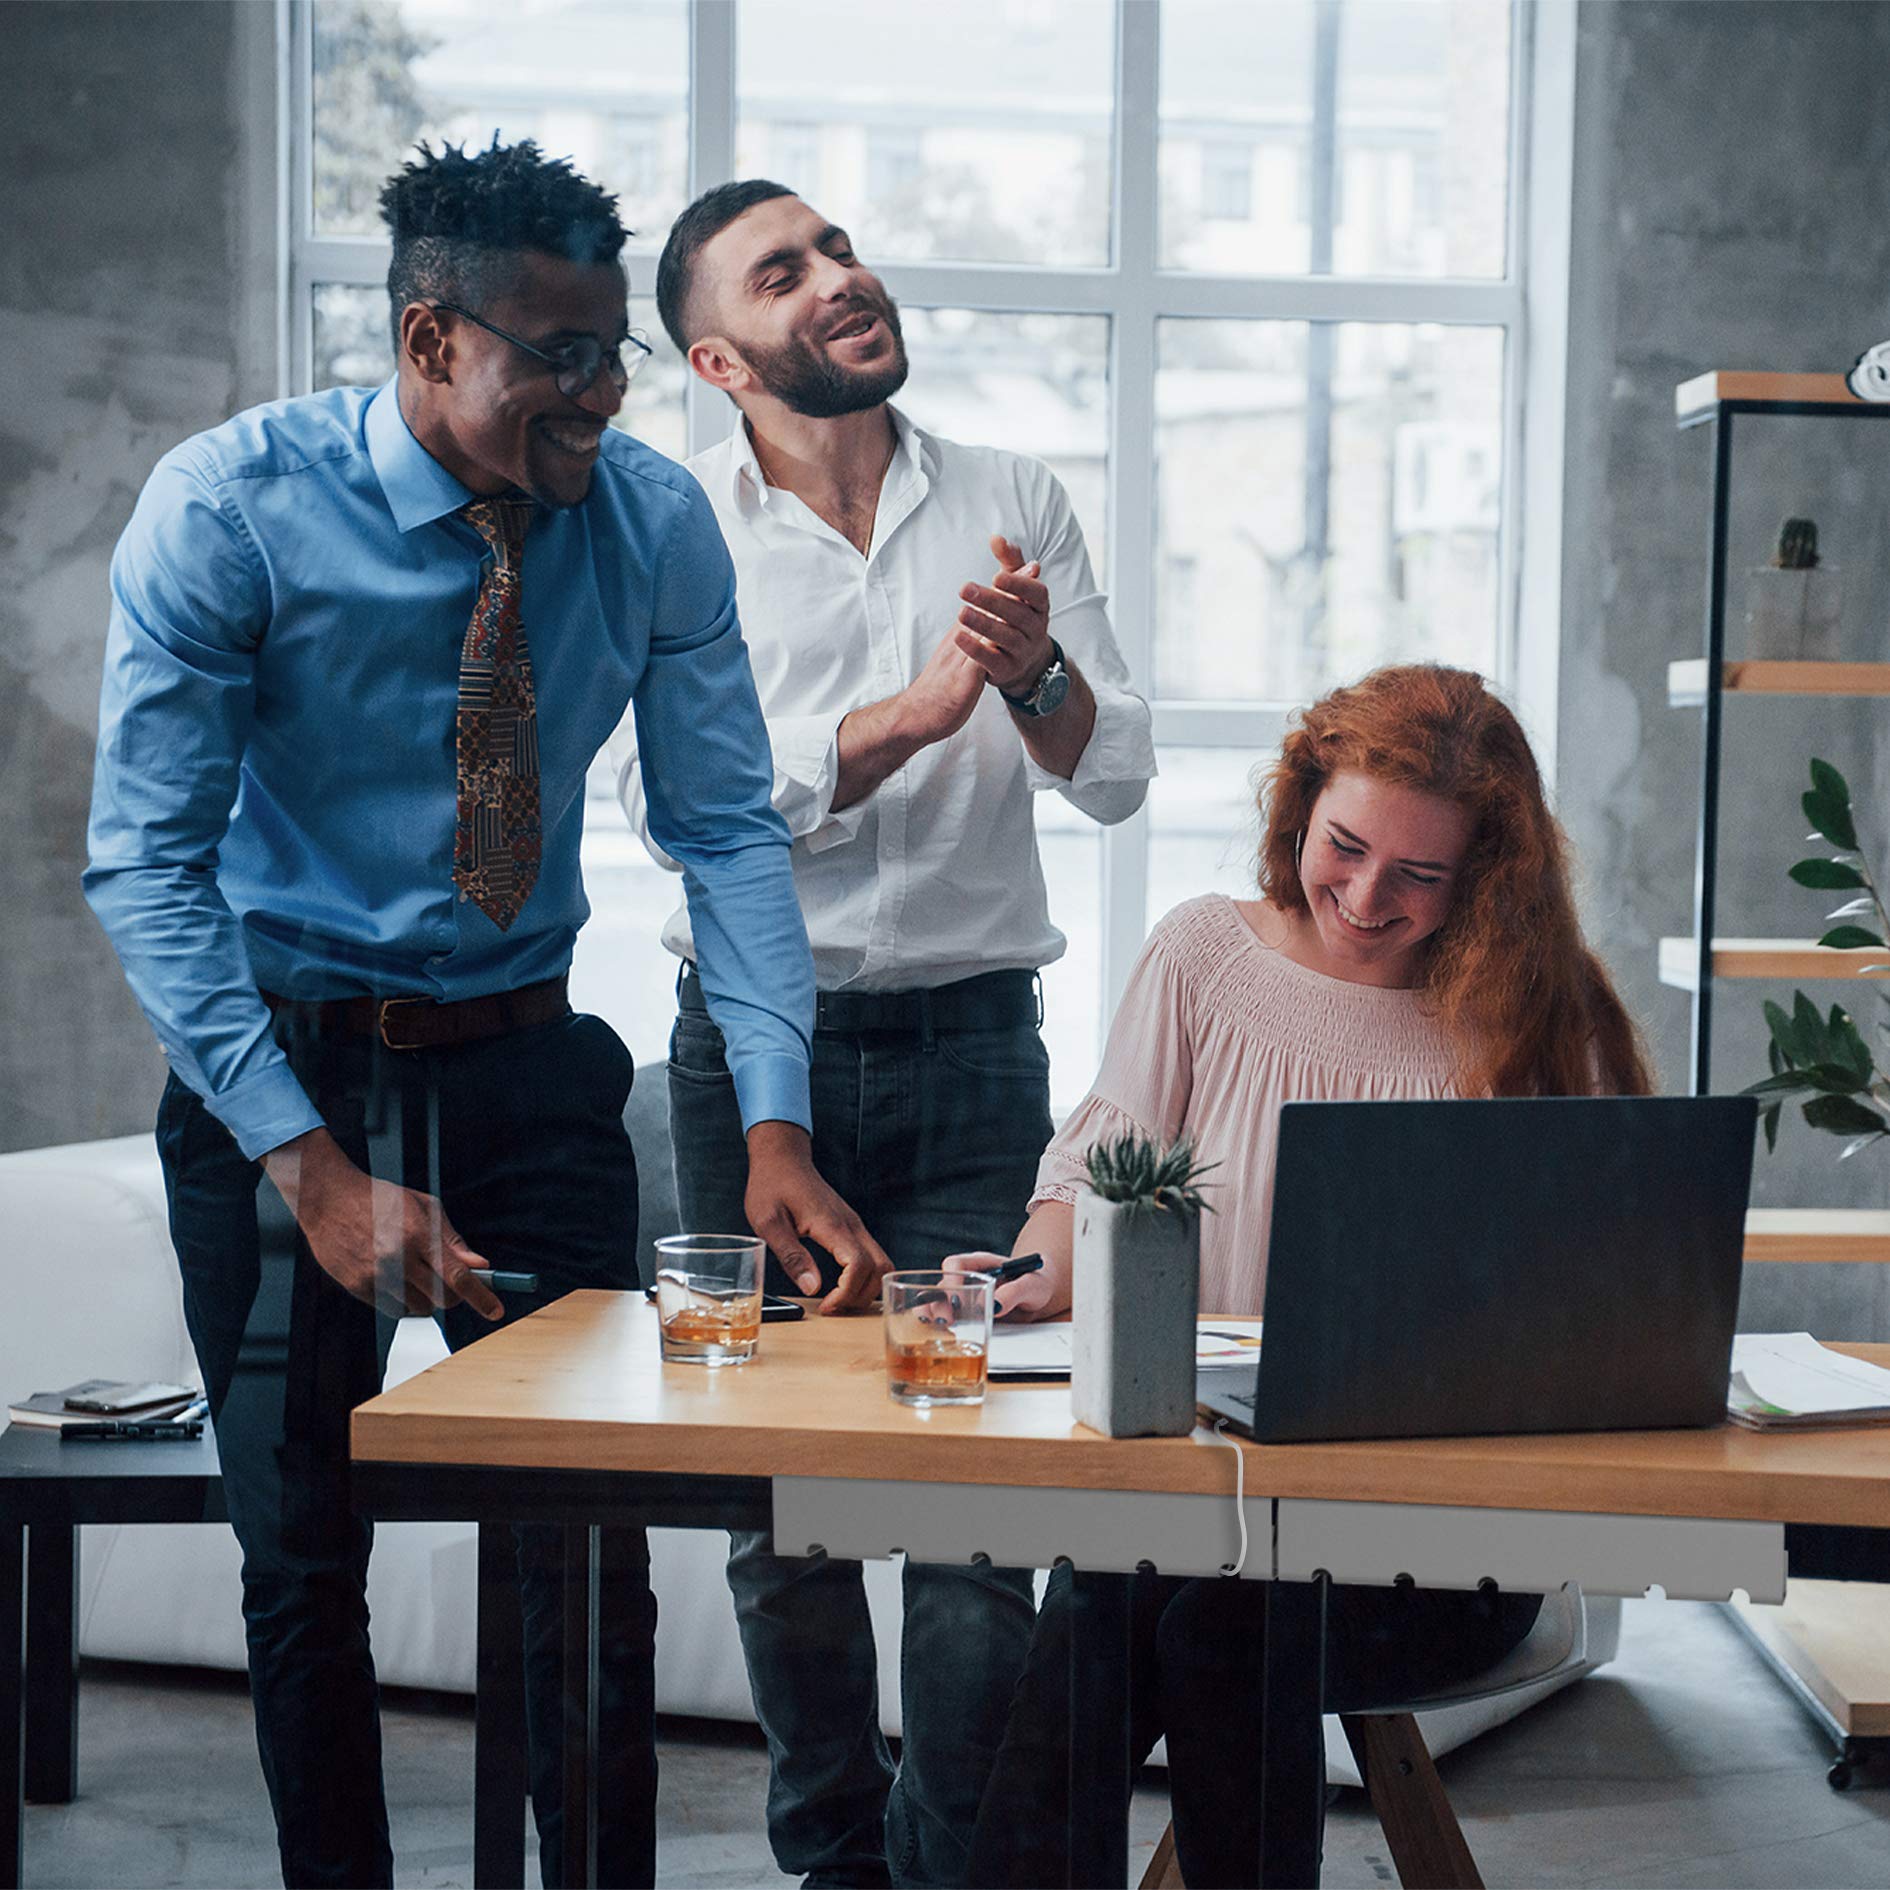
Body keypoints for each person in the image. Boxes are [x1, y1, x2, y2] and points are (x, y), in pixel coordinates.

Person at [83, 139, 885, 1890]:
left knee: (584, 1552)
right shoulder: (226, 511)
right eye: (558, 358)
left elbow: (727, 829)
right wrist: (312, 1173)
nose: (604, 394)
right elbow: (144, 867)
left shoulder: (652, 523)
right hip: (282, 1077)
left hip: (526, 1068)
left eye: (618, 354)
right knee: (299, 1562)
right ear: (435, 338)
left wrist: (772, 1126)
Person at [610, 180, 1156, 1888]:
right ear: (719, 355)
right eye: (788, 271)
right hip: (749, 1063)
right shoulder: (669, 524)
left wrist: (1033, 678)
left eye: (838, 246)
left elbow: (1117, 769)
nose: (842, 278)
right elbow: (676, 809)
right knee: (778, 1516)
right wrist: (923, 710)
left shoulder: (1013, 497)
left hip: (983, 1048)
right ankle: (832, 1867)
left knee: (980, 1505)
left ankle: (947, 1874)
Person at [950, 662, 1654, 1888]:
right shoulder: (1204, 958)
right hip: (1204, 1498)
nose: (1367, 898)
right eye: (1345, 847)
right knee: (1109, 1602)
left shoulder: (1536, 1024)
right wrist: (1030, 1275)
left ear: (1486, 878)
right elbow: (1089, 1177)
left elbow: (1597, 1305)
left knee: (1228, 1625)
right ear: (1299, 811)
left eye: (1419, 876)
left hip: (1443, 1541)